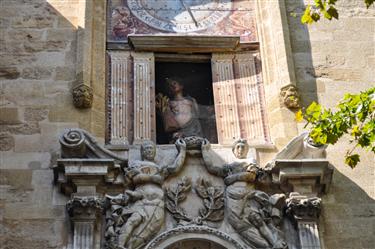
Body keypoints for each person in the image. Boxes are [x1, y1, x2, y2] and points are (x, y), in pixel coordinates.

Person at [109, 139, 186, 249]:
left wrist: (182, 151)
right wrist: (154, 178)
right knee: (133, 220)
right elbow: (134, 178)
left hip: (157, 204)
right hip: (141, 200)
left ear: (155, 151)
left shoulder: (160, 168)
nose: (149, 151)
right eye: (146, 149)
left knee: (149, 232)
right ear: (142, 152)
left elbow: (175, 168)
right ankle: (120, 245)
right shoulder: (136, 164)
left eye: (151, 148)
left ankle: (131, 246)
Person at [156, 78, 203, 142]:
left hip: (192, 129)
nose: (172, 86)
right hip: (178, 131)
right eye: (170, 85)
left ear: (181, 86)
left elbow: (197, 114)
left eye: (174, 83)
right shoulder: (169, 102)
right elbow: (165, 117)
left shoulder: (190, 100)